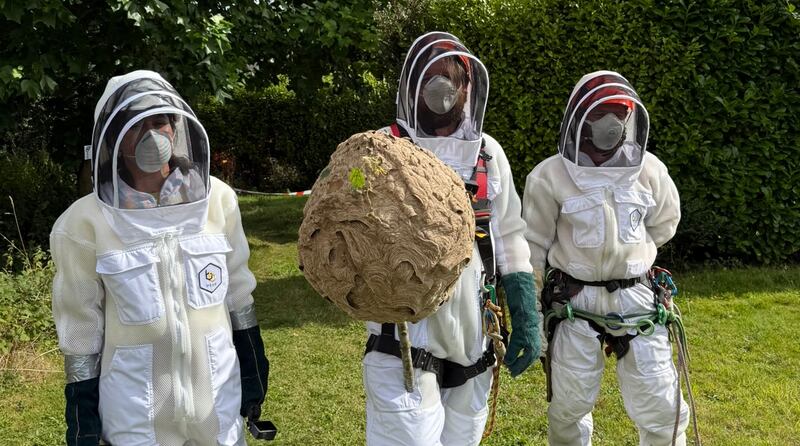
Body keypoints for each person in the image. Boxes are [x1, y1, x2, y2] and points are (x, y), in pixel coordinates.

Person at [50, 70, 269, 446]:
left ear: (176, 127)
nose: (153, 135)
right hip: (137, 418)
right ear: (117, 138)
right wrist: (84, 423)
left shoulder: (217, 200)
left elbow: (238, 294)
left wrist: (252, 377)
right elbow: (81, 331)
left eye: (161, 122)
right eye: (139, 125)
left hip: (216, 406)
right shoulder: (83, 224)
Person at [361, 32, 542, 446]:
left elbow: (510, 233)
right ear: (414, 84)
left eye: (451, 77)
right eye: (433, 76)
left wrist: (525, 314)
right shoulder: (382, 147)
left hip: (473, 342)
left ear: (467, 86)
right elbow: (346, 213)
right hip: (402, 340)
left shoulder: (488, 153)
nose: (442, 88)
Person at [522, 70, 688, 445]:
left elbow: (665, 223)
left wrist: (631, 258)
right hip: (574, 301)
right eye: (601, 113)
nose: (610, 123)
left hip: (638, 298)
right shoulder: (550, 176)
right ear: (580, 119)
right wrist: (531, 314)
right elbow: (530, 247)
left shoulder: (649, 170)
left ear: (630, 118)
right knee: (568, 404)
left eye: (618, 113)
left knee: (662, 403)